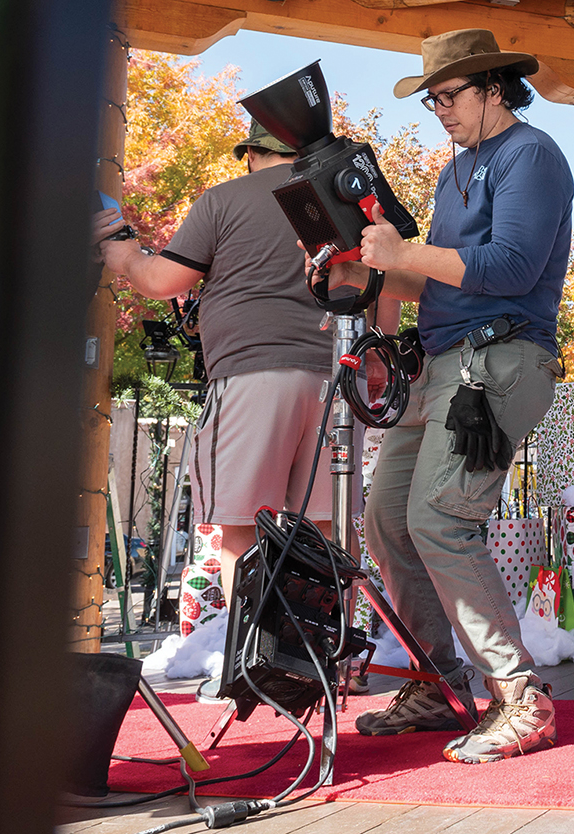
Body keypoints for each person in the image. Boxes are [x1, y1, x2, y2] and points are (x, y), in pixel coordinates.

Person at [325, 29, 570, 764]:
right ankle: (437, 680)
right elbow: (433, 275)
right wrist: (359, 275)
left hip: (502, 358)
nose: (439, 109)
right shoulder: (455, 170)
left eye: (448, 95)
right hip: (443, 367)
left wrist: (400, 254)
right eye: (431, 99)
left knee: (439, 517)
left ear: (495, 86)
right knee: (387, 519)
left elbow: (513, 264)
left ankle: (521, 698)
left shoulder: (532, 154)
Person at [95, 122, 348, 599]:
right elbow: (386, 282)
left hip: (252, 375)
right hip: (335, 380)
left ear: (251, 152)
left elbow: (164, 281)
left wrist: (127, 257)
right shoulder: (340, 201)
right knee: (325, 530)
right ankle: (330, 662)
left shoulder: (225, 198)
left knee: (243, 531)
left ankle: (254, 663)